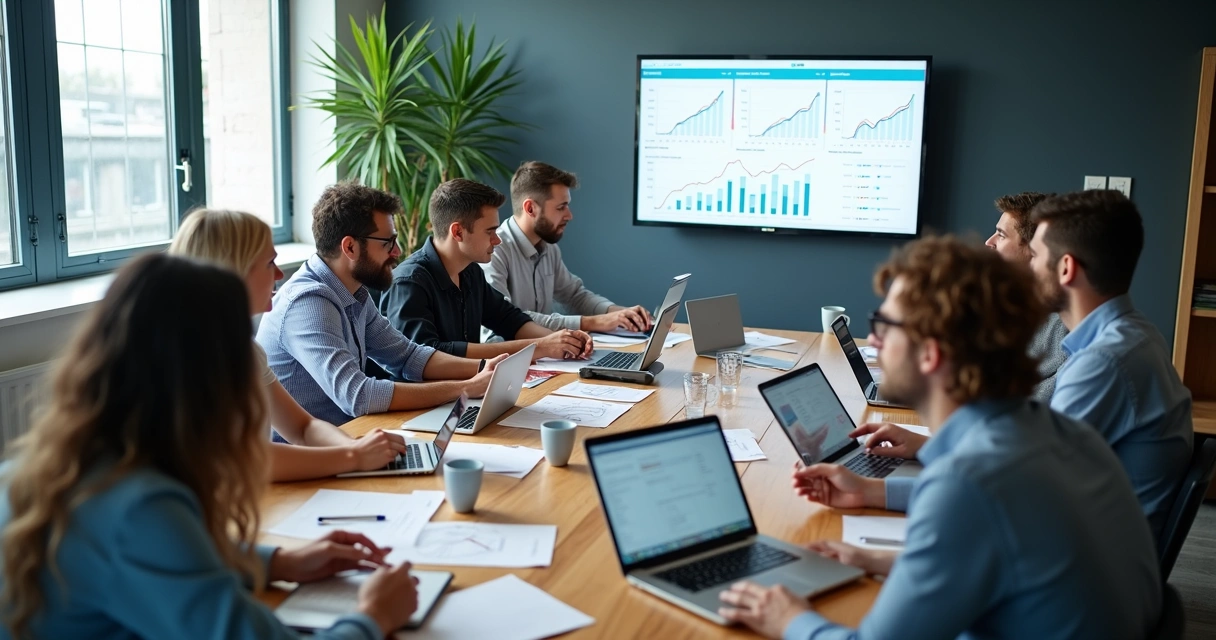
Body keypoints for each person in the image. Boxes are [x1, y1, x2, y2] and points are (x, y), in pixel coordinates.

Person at [718, 237, 1162, 639]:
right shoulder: (1056, 430)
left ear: (930, 354)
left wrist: (788, 618)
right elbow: (1006, 550)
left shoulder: (969, 483)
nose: (872, 338)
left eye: (884, 324)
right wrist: (875, 516)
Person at [0, 254, 417, 639]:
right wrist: (373, 617)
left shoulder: (47, 466)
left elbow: (164, 554)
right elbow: (149, 539)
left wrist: (277, 563)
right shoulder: (139, 506)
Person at [170, 209, 407, 481]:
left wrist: (356, 448)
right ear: (234, 271)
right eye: (270, 263)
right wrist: (354, 457)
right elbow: (245, 458)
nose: (280, 274)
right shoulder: (187, 357)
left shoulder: (243, 349)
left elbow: (302, 427)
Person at [255, 183, 505, 425]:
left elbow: (407, 357)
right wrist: (465, 388)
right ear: (350, 247)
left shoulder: (355, 291)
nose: (397, 252)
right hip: (308, 457)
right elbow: (357, 395)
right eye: (387, 243)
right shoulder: (308, 303)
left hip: (349, 438)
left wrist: (483, 369)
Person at [1029, 189, 1193, 541]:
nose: (1028, 267)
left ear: (1066, 267)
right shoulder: (1137, 335)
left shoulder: (1102, 363)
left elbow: (1029, 488)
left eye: (1034, 255)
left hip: (1084, 565)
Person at [379, 179, 594, 361]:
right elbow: (430, 356)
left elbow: (509, 319)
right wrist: (540, 347)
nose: (497, 239)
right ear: (458, 232)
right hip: (424, 406)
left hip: (465, 395)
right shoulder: (408, 282)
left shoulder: (471, 272)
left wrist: (562, 341)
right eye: (490, 231)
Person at [481, 161, 653, 334]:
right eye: (561, 207)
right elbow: (505, 317)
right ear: (530, 208)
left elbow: (574, 296)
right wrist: (592, 322)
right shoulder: (494, 251)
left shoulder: (548, 248)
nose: (569, 215)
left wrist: (618, 312)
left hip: (544, 353)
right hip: (507, 356)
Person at [985, 191, 1069, 400]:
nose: (989, 242)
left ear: (1034, 249)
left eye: (1001, 235)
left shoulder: (1066, 327)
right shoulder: (1002, 308)